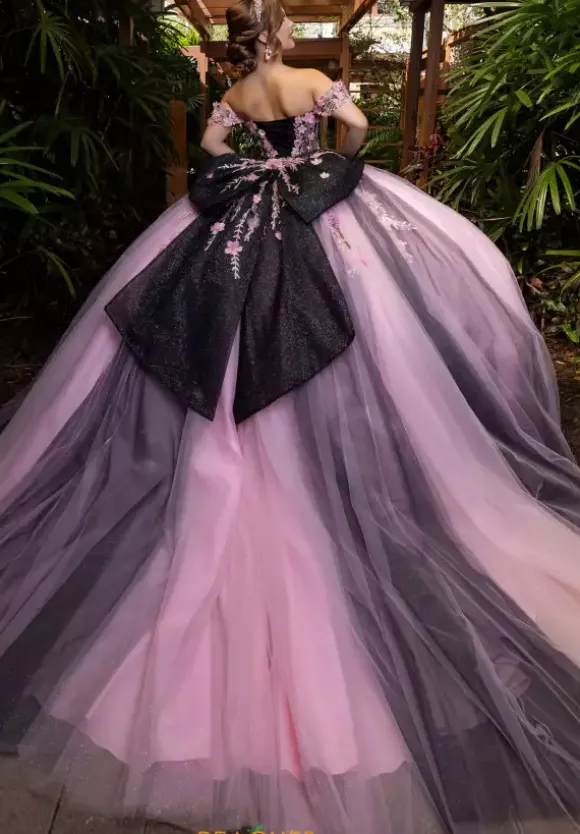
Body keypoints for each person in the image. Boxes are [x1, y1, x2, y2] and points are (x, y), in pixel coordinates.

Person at [2, 1, 580, 832]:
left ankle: (228, 440)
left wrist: (253, 171)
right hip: (316, 211)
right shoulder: (311, 79)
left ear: (244, 41)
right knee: (374, 340)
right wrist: (320, 166)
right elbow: (359, 129)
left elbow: (210, 150)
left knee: (228, 333)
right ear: (281, 34)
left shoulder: (238, 93)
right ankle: (325, 450)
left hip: (240, 221)